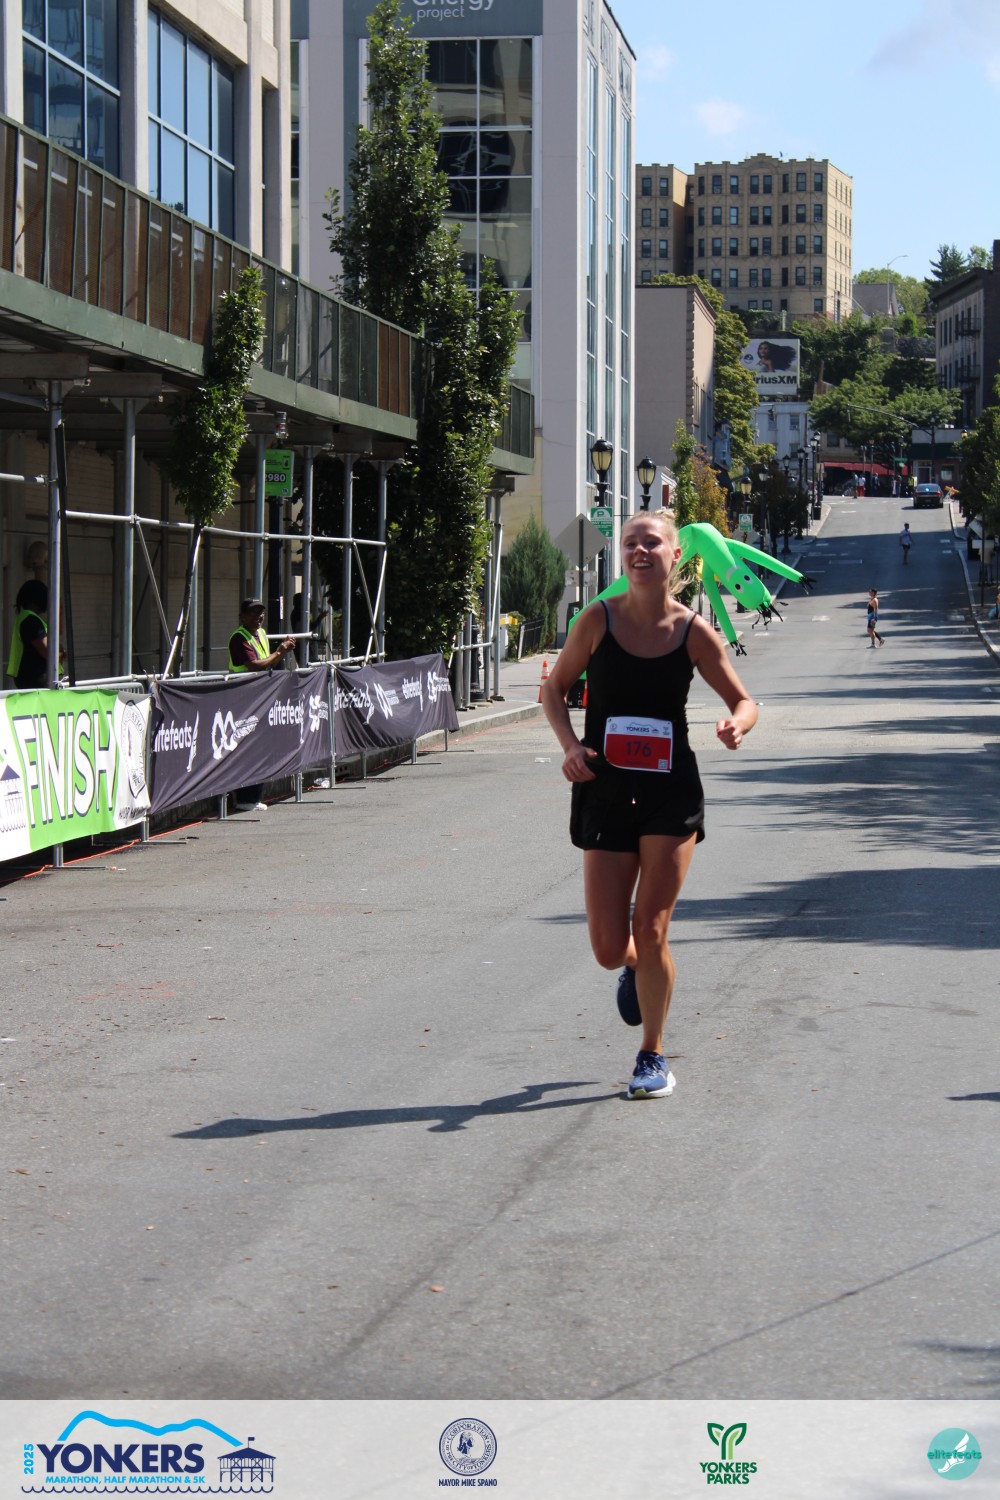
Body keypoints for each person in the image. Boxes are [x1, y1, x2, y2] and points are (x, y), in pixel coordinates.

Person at [541, 510, 758, 1101]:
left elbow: (744, 701)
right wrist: (570, 746)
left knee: (653, 927)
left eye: (652, 543)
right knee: (610, 948)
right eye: (631, 543)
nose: (640, 551)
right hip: (605, 790)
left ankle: (652, 1054)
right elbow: (554, 688)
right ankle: (634, 966)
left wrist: (736, 725)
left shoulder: (693, 632)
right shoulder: (597, 620)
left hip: (669, 794)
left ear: (674, 555)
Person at [227, 598, 296, 812]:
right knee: (248, 749)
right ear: (242, 617)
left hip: (259, 698)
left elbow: (267, 663)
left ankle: (254, 796)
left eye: (261, 613)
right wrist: (280, 652)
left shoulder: (261, 634)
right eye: (253, 613)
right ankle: (245, 798)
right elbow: (254, 665)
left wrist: (280, 653)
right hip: (244, 699)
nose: (258, 617)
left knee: (260, 748)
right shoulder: (239, 638)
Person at [6, 579, 55, 690]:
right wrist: (59, 652)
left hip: (28, 678)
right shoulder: (31, 620)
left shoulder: (25, 618)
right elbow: (46, 651)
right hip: (36, 680)